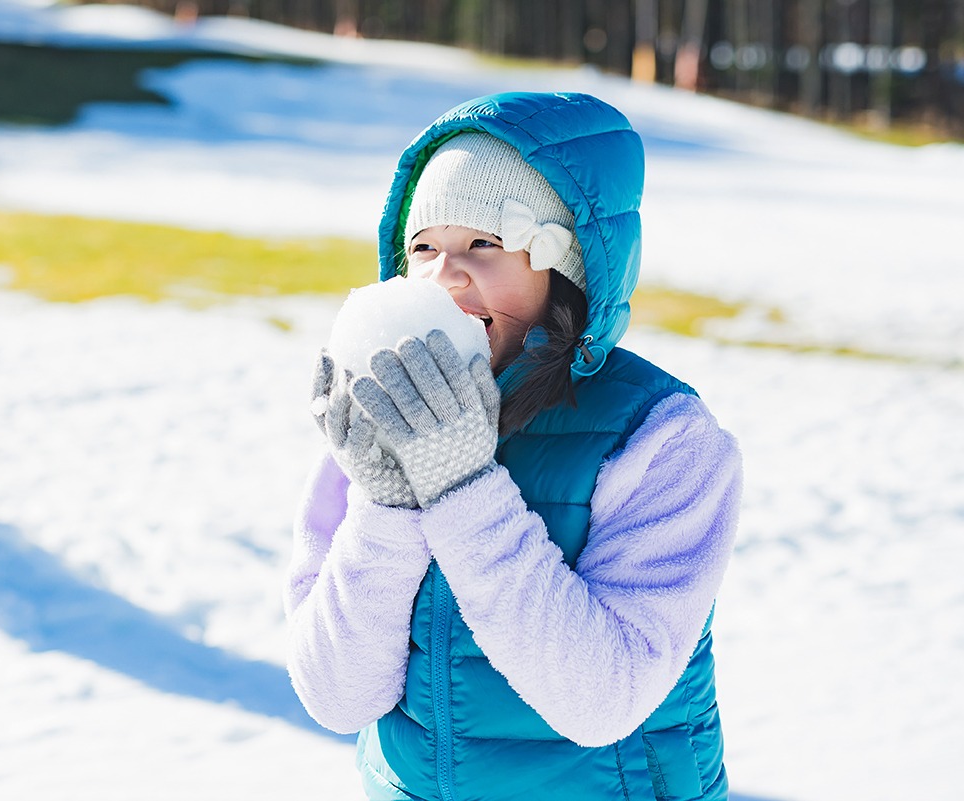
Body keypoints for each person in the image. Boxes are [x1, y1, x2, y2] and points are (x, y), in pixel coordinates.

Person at [284, 91, 742, 801]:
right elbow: (337, 696)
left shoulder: (662, 439)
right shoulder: (376, 421)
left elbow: (603, 699)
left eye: (485, 245)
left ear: (569, 266)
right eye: (425, 247)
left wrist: (461, 486)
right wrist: (389, 501)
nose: (446, 275)